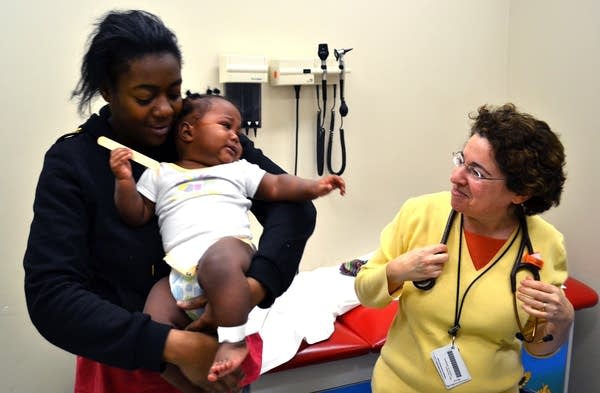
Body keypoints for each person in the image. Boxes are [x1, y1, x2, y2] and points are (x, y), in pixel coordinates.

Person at [23, 9, 317, 393]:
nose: (165, 109)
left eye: (174, 93)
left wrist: (256, 287)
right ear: (108, 91)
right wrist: (172, 347)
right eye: (145, 97)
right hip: (130, 360)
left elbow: (292, 207)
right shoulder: (74, 161)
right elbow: (51, 295)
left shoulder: (201, 139)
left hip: (219, 350)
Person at [109, 92, 345, 384]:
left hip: (231, 254)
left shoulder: (237, 170)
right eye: (226, 126)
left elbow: (276, 186)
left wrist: (312, 187)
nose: (236, 136)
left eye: (239, 130)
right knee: (153, 326)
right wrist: (123, 182)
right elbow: (136, 213)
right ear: (187, 131)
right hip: (180, 275)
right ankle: (191, 387)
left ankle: (233, 341)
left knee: (217, 261)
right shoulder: (161, 174)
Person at [355, 103, 574, 393]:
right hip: (399, 386)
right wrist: (397, 271)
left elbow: (538, 349)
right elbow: (365, 292)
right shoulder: (419, 214)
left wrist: (563, 319)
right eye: (461, 160)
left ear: (520, 193)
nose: (456, 177)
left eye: (476, 172)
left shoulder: (545, 244)